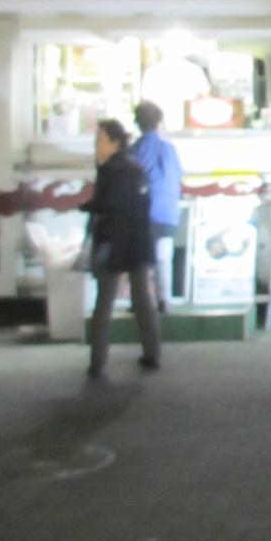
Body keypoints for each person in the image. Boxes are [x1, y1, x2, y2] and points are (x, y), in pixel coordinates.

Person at [83, 119, 161, 378]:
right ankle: (152, 354)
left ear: (114, 142)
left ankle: (98, 361)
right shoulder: (136, 167)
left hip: (113, 241)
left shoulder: (110, 169)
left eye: (99, 139)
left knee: (104, 303)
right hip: (139, 241)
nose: (96, 145)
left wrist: (84, 205)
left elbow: (106, 204)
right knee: (142, 299)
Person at [132, 101, 183, 312]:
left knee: (142, 259)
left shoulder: (137, 149)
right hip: (168, 210)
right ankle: (164, 299)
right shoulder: (169, 147)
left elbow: (133, 179)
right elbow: (178, 175)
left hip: (145, 211)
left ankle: (143, 300)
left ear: (137, 122)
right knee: (163, 255)